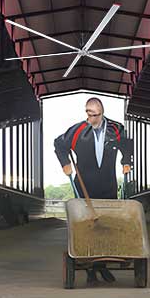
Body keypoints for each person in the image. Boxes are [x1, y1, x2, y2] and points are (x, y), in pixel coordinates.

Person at [53, 98, 134, 284]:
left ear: (102, 113)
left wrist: (126, 161)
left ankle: (101, 266)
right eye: (88, 114)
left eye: (95, 115)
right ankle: (90, 270)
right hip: (84, 187)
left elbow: (127, 145)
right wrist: (65, 163)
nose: (91, 119)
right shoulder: (77, 131)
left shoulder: (116, 129)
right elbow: (59, 144)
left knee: (106, 226)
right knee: (88, 226)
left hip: (108, 186)